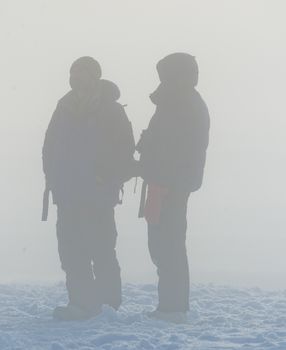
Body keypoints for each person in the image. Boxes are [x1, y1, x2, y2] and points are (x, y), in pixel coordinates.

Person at [42, 56, 135, 321]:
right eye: (73, 72)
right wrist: (53, 176)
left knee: (102, 249)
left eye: (82, 73)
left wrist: (105, 178)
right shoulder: (64, 107)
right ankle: (80, 303)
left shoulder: (111, 110)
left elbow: (124, 152)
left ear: (95, 76)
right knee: (71, 251)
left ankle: (107, 306)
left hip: (98, 196)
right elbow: (50, 144)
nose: (76, 78)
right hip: (68, 193)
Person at [136, 52, 210, 323]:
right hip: (163, 183)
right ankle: (170, 305)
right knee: (162, 246)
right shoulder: (174, 102)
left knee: (169, 247)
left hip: (171, 186)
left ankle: (174, 307)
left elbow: (180, 149)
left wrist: (163, 175)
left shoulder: (184, 104)